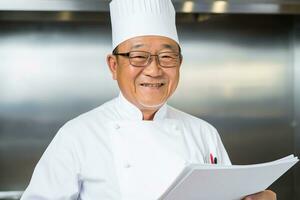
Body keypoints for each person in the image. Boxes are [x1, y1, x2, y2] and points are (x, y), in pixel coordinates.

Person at [21, 0, 276, 199]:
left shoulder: (204, 133)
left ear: (180, 64)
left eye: (167, 57)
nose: (154, 70)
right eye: (138, 56)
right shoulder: (77, 136)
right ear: (113, 66)